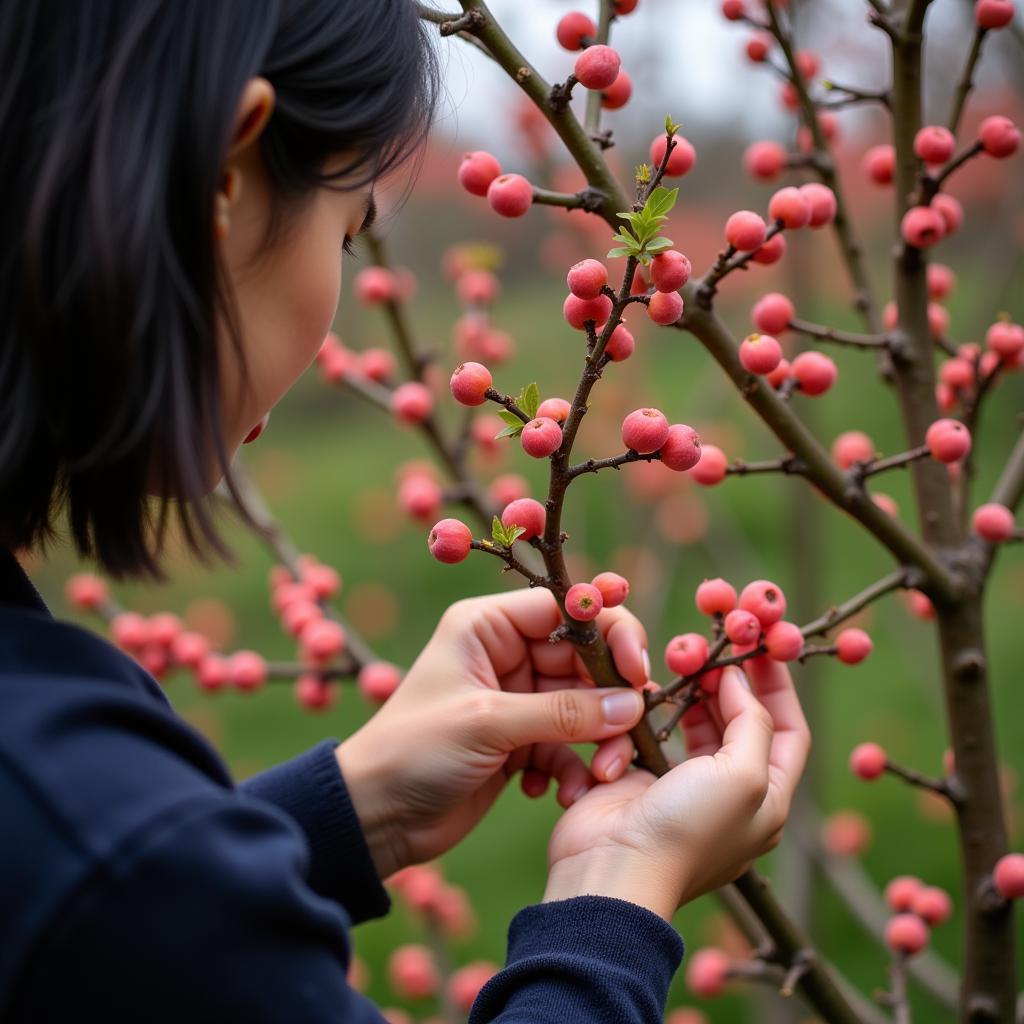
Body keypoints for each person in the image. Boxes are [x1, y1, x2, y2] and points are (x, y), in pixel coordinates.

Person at [0, 2, 811, 1021]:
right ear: (223, 175)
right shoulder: (75, 819)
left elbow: (91, 938)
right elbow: (107, 889)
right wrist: (614, 892)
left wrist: (352, 811)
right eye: (346, 233)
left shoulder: (65, 811)